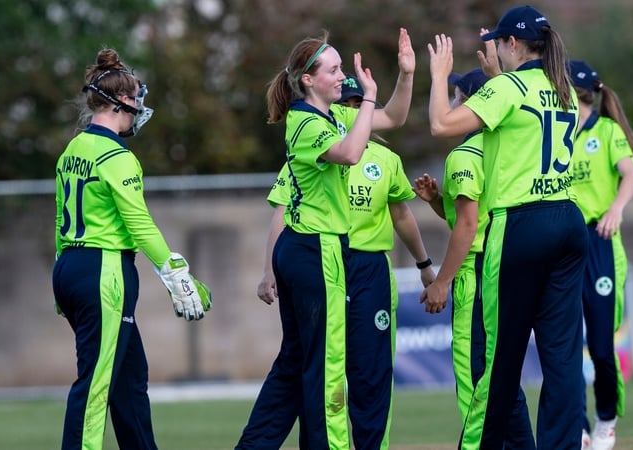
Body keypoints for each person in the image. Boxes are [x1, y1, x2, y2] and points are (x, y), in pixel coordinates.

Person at [235, 28, 415, 450]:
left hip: (309, 249)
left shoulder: (331, 116)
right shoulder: (304, 124)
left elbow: (393, 118)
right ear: (308, 80)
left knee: (297, 361)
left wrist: (405, 75)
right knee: (327, 365)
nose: (341, 77)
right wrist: (368, 96)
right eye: (333, 70)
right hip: (315, 250)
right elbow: (352, 153)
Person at [425, 5, 588, 449]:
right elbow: (520, 118)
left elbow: (442, 123)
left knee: (496, 361)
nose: (494, 46)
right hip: (568, 220)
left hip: (521, 225)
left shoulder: (511, 88)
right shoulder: (564, 88)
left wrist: (440, 74)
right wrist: (498, 76)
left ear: (512, 44)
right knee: (563, 361)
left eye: (498, 41)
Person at [52, 48, 211, 450]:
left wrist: (62, 275)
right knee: (97, 385)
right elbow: (138, 223)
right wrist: (175, 273)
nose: (141, 107)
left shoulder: (73, 150)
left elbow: (59, 219)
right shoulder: (118, 156)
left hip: (71, 266)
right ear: (122, 102)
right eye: (137, 99)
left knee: (129, 379)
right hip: (103, 269)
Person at [413, 68, 534, 449]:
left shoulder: (466, 154)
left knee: (474, 380)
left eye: (455, 96)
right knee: (502, 377)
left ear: (469, 101)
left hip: (478, 274)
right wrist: (437, 201)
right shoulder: (506, 149)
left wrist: (441, 281)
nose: (451, 104)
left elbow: (467, 228)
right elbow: (474, 216)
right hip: (510, 267)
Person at [569, 60, 633, 450]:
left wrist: (615, 208)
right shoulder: (555, 132)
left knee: (599, 345)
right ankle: (576, 427)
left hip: (599, 240)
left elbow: (631, 175)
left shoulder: (607, 130)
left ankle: (606, 420)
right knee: (563, 344)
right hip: (564, 245)